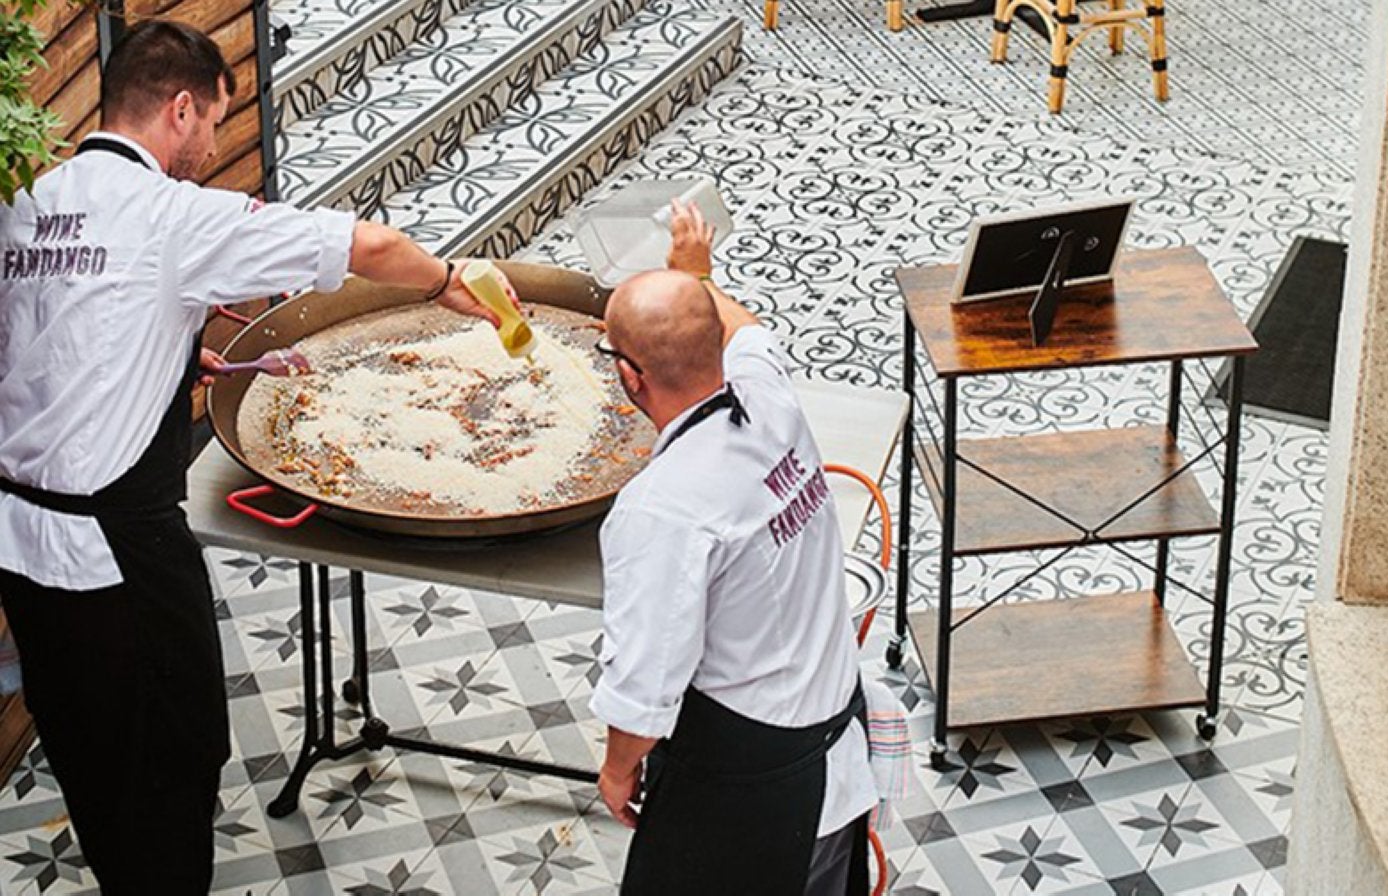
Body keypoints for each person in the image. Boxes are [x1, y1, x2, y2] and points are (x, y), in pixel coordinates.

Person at [0, 20, 513, 894]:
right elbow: (367, 248)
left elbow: (49, 345)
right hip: (117, 554)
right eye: (210, 126)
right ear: (182, 107)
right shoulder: (173, 214)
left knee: (84, 742)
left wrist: (162, 361)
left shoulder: (33, 205)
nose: (209, 146)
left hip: (19, 547)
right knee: (176, 750)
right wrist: (451, 285)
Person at [590, 201, 879, 896]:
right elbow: (747, 330)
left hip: (749, 778)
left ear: (631, 377)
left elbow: (647, 679)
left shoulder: (661, 507)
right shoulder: (769, 397)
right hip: (835, 732)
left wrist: (618, 767)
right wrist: (698, 274)